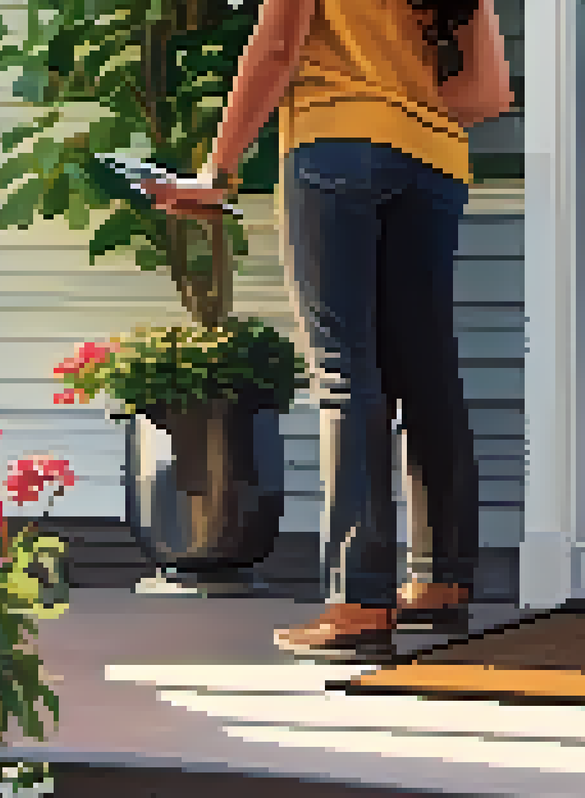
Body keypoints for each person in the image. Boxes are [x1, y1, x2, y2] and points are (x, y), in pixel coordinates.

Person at [141, 0, 514, 663]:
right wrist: (404, 102)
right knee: (429, 374)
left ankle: (359, 598)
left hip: (336, 149)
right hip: (434, 164)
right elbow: (488, 94)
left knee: (348, 374)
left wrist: (216, 173)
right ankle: (440, 580)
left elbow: (278, 46)